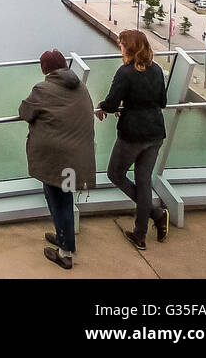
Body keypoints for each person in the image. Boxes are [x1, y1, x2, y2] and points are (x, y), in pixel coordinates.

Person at [18, 49, 96, 270]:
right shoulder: (81, 86)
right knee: (66, 200)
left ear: (45, 69)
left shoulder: (43, 89)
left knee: (57, 201)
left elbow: (25, 111)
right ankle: (64, 239)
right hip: (78, 156)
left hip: (55, 159)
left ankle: (65, 254)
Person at [97, 28, 169, 249]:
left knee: (115, 174)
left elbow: (110, 103)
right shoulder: (156, 70)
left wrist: (105, 106)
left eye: (121, 44)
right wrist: (128, 105)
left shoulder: (125, 72)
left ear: (128, 48)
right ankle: (140, 233)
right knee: (144, 181)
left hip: (132, 135)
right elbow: (163, 102)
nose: (119, 48)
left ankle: (155, 214)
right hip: (155, 132)